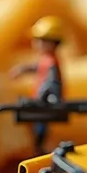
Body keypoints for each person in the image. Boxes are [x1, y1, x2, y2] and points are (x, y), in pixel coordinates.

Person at [10, 15, 64, 153]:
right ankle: (40, 148)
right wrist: (22, 69)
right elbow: (37, 68)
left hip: (44, 103)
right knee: (38, 127)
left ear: (51, 43)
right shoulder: (46, 59)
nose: (34, 43)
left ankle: (40, 150)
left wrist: (43, 96)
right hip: (41, 101)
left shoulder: (52, 62)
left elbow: (53, 83)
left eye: (38, 40)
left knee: (40, 128)